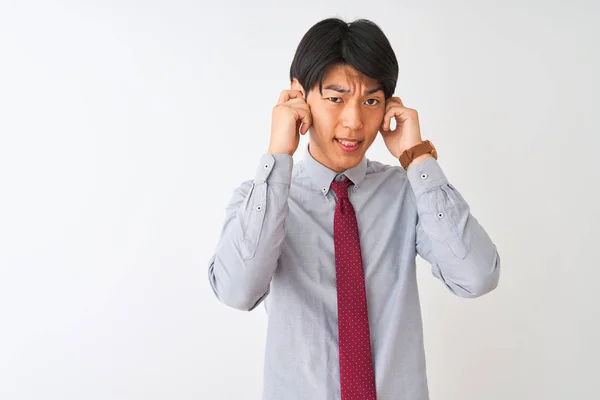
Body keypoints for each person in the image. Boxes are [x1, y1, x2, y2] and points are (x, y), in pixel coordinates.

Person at [207, 17, 500, 400]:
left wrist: (418, 160)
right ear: (299, 96)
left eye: (371, 101)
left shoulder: (407, 192)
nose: (354, 121)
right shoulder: (263, 198)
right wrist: (278, 156)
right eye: (336, 98)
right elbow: (236, 291)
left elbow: (477, 276)